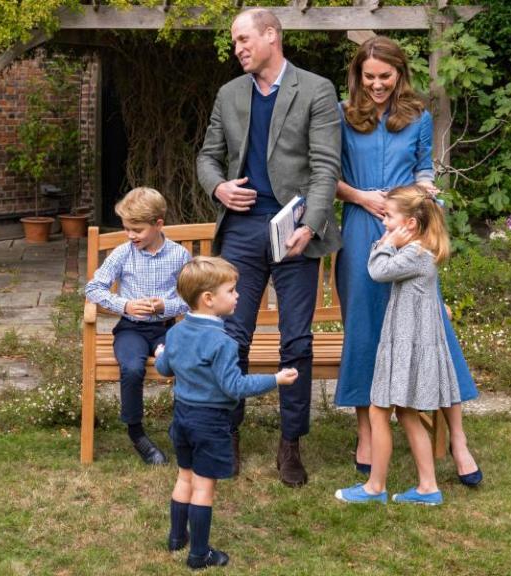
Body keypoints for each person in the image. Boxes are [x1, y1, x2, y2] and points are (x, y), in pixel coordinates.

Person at [196, 7, 342, 487]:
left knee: (295, 341)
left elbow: (325, 168)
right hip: (241, 231)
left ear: (271, 36)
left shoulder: (316, 90)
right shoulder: (229, 94)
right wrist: (218, 188)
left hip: (295, 232)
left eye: (243, 39)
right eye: (234, 41)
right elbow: (206, 156)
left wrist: (313, 224)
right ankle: (228, 434)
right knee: (231, 339)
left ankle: (290, 443)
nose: (236, 48)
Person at [333, 36, 481, 486]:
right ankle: (365, 432)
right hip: (361, 227)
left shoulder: (417, 116)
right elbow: (328, 175)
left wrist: (423, 189)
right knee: (364, 326)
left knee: (431, 325)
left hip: (409, 229)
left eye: (386, 76)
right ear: (358, 75)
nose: (377, 85)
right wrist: (362, 197)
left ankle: (457, 439)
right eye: (369, 76)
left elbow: (424, 167)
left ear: (400, 74)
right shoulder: (341, 115)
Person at [155, 256, 298, 569]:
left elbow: (165, 368)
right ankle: (199, 554)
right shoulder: (223, 342)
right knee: (204, 487)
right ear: (209, 299)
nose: (238, 296)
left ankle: (177, 538)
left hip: (182, 417)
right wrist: (276, 379)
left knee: (184, 477)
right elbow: (234, 386)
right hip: (210, 423)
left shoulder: (176, 332)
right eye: (232, 290)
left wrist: (159, 353)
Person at [336, 185, 459, 505]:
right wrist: (391, 238)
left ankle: (374, 487)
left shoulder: (414, 254)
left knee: (379, 411)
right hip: (405, 343)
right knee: (406, 413)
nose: (384, 223)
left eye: (390, 217)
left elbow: (377, 271)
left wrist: (385, 242)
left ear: (411, 225)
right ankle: (428, 487)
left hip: (406, 347)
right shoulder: (419, 251)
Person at [84, 187, 191, 465]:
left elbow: (192, 297)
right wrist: (125, 305)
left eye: (137, 230)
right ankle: (137, 433)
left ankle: (180, 428)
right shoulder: (123, 253)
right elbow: (93, 288)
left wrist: (164, 306)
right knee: (131, 368)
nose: (131, 235)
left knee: (184, 364)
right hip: (130, 329)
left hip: (167, 329)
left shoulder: (179, 255)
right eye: (126, 229)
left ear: (158, 224)